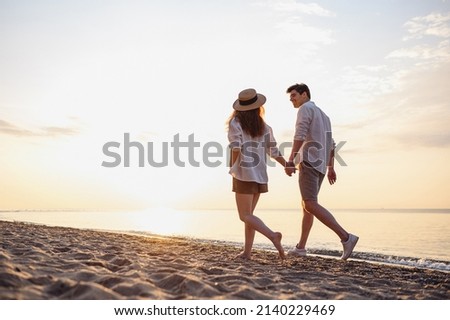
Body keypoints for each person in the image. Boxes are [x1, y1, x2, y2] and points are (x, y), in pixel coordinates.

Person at [284, 83, 358, 260]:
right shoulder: (324, 115)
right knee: (307, 207)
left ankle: (346, 237)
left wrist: (290, 160)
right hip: (320, 165)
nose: (292, 99)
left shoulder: (304, 109)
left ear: (304, 94)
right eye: (290, 97)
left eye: (294, 95)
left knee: (309, 204)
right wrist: (331, 167)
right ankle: (301, 247)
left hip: (309, 162)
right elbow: (331, 143)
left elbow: (299, 135)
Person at [227, 88, 289, 260]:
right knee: (250, 216)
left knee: (244, 216)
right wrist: (286, 165)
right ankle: (247, 252)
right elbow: (273, 150)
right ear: (258, 107)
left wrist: (232, 166)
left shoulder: (236, 123)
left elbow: (236, 147)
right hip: (260, 174)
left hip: (244, 173)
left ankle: (272, 235)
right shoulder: (265, 126)